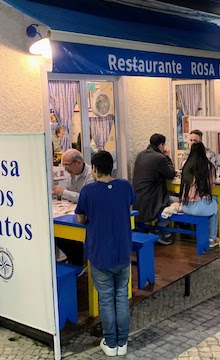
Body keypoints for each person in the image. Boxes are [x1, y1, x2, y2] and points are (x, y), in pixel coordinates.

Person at [75, 151, 136, 357]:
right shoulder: (125, 186)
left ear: (94, 168)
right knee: (121, 296)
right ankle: (122, 342)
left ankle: (110, 343)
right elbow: (128, 208)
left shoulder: (88, 191)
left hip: (100, 252)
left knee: (106, 299)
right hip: (122, 251)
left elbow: (81, 219)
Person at [176, 142, 220, 248]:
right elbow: (211, 187)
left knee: (213, 203)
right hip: (200, 207)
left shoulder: (186, 165)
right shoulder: (208, 166)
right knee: (215, 206)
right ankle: (213, 236)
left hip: (185, 206)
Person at [132, 133, 176, 245]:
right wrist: (167, 156)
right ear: (161, 145)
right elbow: (170, 174)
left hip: (137, 199)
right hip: (152, 200)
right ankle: (157, 229)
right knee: (176, 204)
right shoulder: (160, 158)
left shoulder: (140, 155)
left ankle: (163, 231)